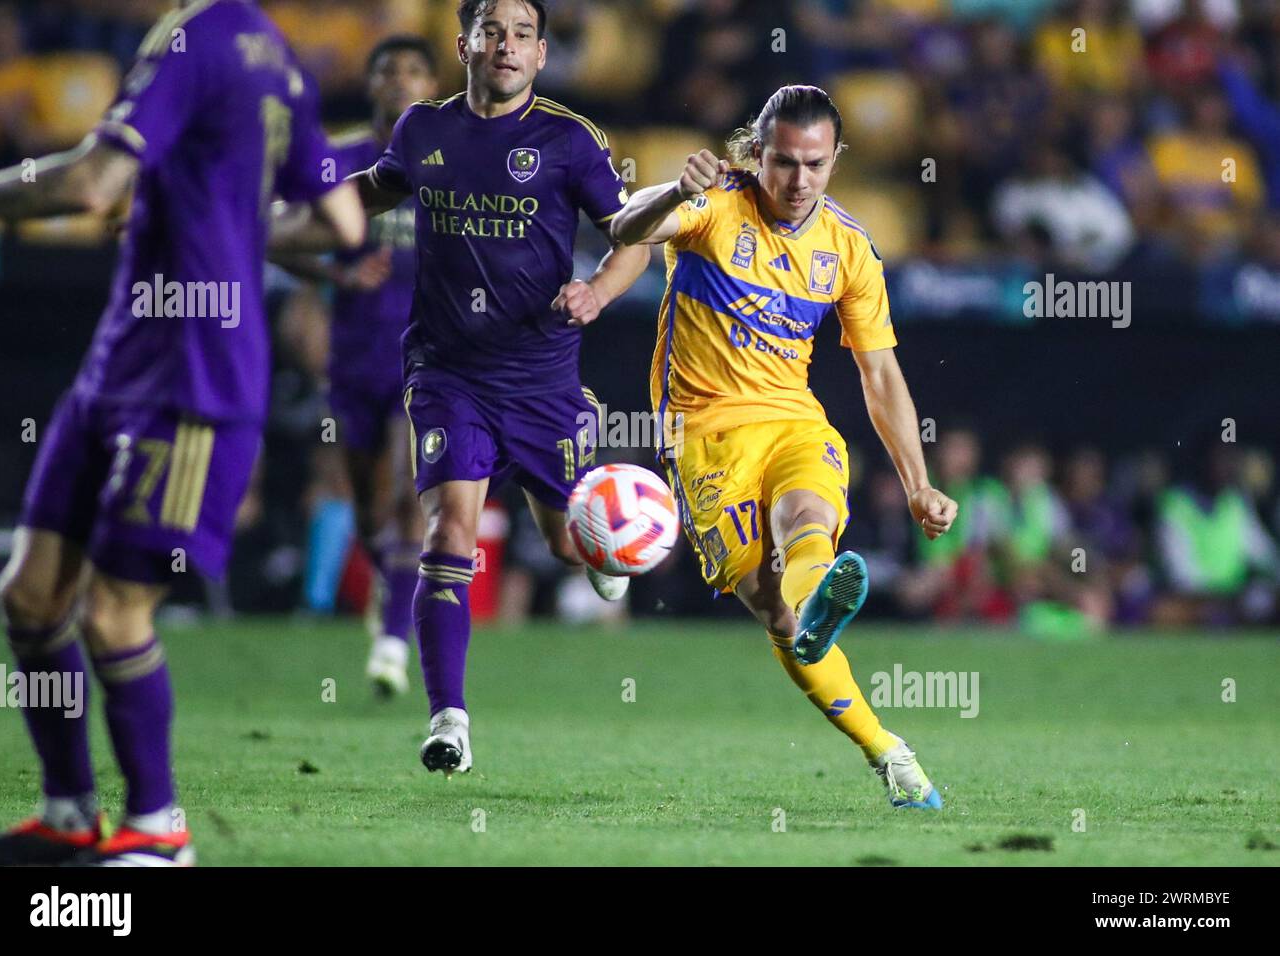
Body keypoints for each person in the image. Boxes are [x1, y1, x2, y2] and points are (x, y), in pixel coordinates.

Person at [0, 0, 364, 865]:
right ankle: (69, 814)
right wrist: (234, 229)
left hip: (192, 378)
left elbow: (90, 185)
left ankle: (159, 829)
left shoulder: (193, 38)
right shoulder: (277, 55)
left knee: (114, 617)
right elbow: (341, 222)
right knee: (32, 597)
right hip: (122, 363)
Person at [273, 0, 651, 776]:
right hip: (447, 371)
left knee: (563, 543)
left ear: (541, 53)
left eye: (520, 35)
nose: (505, 46)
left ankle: (605, 547)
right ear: (465, 44)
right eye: (491, 32)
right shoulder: (424, 130)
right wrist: (294, 217)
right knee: (449, 528)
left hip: (542, 375)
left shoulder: (570, 141)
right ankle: (449, 718)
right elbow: (375, 191)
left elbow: (633, 241)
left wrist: (598, 293)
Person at [611, 85, 958, 809]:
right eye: (783, 163)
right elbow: (623, 228)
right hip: (705, 440)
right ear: (757, 153)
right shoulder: (714, 208)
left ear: (837, 160)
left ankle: (818, 610)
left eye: (815, 165)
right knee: (777, 612)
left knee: (807, 523)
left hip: (795, 421)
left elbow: (880, 373)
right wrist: (675, 185)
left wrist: (918, 482)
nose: (798, 183)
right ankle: (886, 750)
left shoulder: (848, 249)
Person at [272, 36, 438, 696]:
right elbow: (274, 234)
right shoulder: (339, 160)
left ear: (433, 85)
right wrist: (335, 269)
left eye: (414, 70)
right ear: (369, 84)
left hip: (427, 358)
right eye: (387, 70)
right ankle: (389, 594)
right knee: (369, 509)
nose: (400, 81)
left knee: (406, 498)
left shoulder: (447, 162)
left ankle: (395, 644)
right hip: (353, 362)